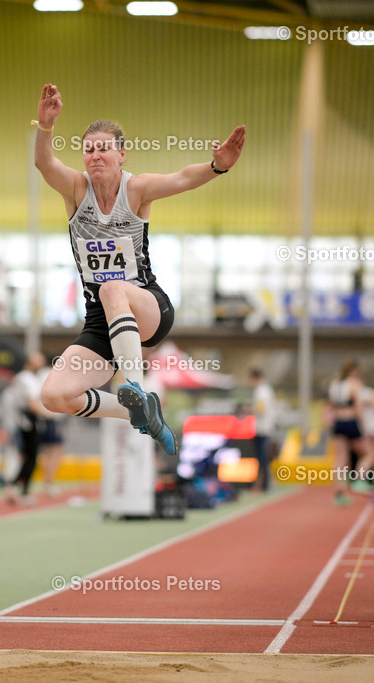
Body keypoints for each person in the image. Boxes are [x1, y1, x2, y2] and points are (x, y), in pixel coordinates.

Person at [33, 84, 245, 457]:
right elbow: (44, 164)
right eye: (88, 149)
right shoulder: (75, 190)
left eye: (104, 148)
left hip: (147, 307)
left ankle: (135, 385)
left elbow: (181, 177)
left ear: (121, 154)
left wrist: (217, 166)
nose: (95, 156)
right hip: (102, 323)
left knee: (113, 288)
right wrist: (46, 128)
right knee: (54, 395)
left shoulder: (137, 190)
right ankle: (141, 411)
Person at [5, 351, 52, 505]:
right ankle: (22, 491)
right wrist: (49, 414)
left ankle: (15, 487)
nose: (42, 361)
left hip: (25, 421)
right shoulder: (27, 378)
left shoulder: (26, 378)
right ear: (30, 361)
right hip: (27, 422)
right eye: (38, 359)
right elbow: (32, 403)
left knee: (29, 458)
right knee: (31, 458)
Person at [327, 359, 374, 505]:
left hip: (338, 423)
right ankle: (359, 480)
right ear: (354, 370)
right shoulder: (354, 384)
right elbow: (359, 407)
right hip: (351, 422)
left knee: (340, 460)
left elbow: (331, 405)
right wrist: (363, 427)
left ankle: (339, 494)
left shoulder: (334, 384)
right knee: (369, 453)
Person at [35, 363, 66, 498]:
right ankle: (48, 483)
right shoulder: (46, 375)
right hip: (49, 418)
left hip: (49, 418)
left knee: (49, 451)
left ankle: (47, 482)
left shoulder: (42, 375)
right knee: (53, 451)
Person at [249, 368, 277, 492]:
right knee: (263, 457)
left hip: (262, 429)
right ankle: (264, 484)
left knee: (262, 458)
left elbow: (260, 409)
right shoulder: (266, 389)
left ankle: (262, 484)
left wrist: (249, 410)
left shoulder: (262, 390)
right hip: (264, 428)